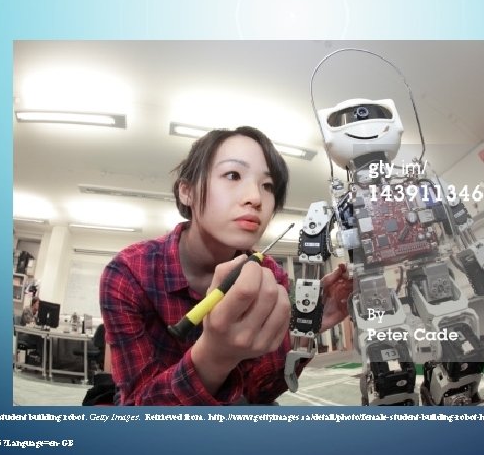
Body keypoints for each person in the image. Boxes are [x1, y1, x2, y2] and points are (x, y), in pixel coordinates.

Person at [100, 126, 351, 405]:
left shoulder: (270, 276)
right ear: (187, 192)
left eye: (267, 186)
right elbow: (137, 415)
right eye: (232, 175)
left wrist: (305, 327)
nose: (256, 198)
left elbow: (258, 395)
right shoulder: (128, 274)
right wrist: (215, 355)